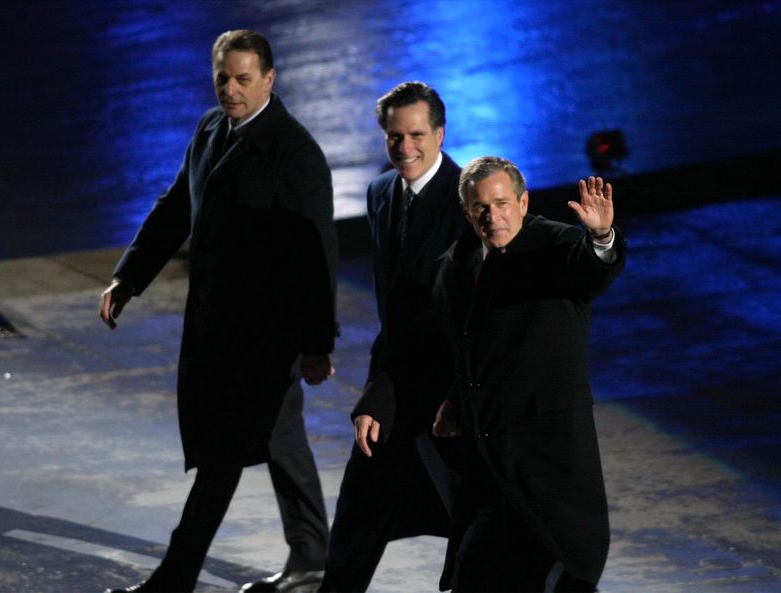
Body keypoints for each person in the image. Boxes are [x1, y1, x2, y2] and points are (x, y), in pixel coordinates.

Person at [99, 30, 338, 593]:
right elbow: (177, 206)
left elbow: (317, 254)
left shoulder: (293, 153)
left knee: (226, 454)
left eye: (243, 79)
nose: (230, 90)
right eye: (223, 79)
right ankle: (312, 554)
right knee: (275, 437)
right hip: (219, 329)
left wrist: (316, 343)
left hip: (268, 335)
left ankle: (178, 575)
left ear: (270, 79)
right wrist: (128, 276)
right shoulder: (210, 130)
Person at [431, 156, 626, 592]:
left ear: (523, 202)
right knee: (476, 571)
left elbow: (592, 268)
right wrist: (455, 398)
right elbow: (465, 344)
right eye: (480, 207)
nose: (492, 215)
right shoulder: (456, 264)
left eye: (502, 203)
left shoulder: (553, 247)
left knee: (558, 570)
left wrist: (599, 236)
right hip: (490, 459)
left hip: (547, 458)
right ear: (466, 210)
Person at [319, 81, 467, 592]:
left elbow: (464, 313)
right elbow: (395, 310)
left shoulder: (470, 198)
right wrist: (378, 387)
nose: (405, 148)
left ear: (440, 133)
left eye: (417, 135)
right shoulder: (381, 192)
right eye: (394, 136)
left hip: (455, 392)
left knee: (477, 523)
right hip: (399, 382)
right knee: (358, 511)